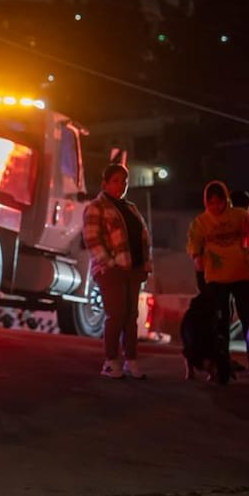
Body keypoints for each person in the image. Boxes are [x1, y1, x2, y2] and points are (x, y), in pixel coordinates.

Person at [83, 162, 153, 379]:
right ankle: (111, 361)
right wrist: (109, 263)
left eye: (124, 181)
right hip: (111, 270)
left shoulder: (130, 208)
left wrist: (144, 265)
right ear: (105, 183)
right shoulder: (97, 207)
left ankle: (131, 361)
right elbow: (92, 238)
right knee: (116, 315)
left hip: (133, 269)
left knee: (131, 317)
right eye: (116, 181)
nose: (121, 185)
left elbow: (142, 239)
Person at [187, 181, 249, 346]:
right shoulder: (201, 222)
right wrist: (196, 257)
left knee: (246, 317)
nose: (216, 207)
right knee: (221, 319)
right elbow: (194, 245)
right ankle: (223, 361)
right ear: (206, 202)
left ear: (226, 200)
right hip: (216, 278)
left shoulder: (240, 215)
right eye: (211, 203)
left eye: (219, 202)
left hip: (241, 274)